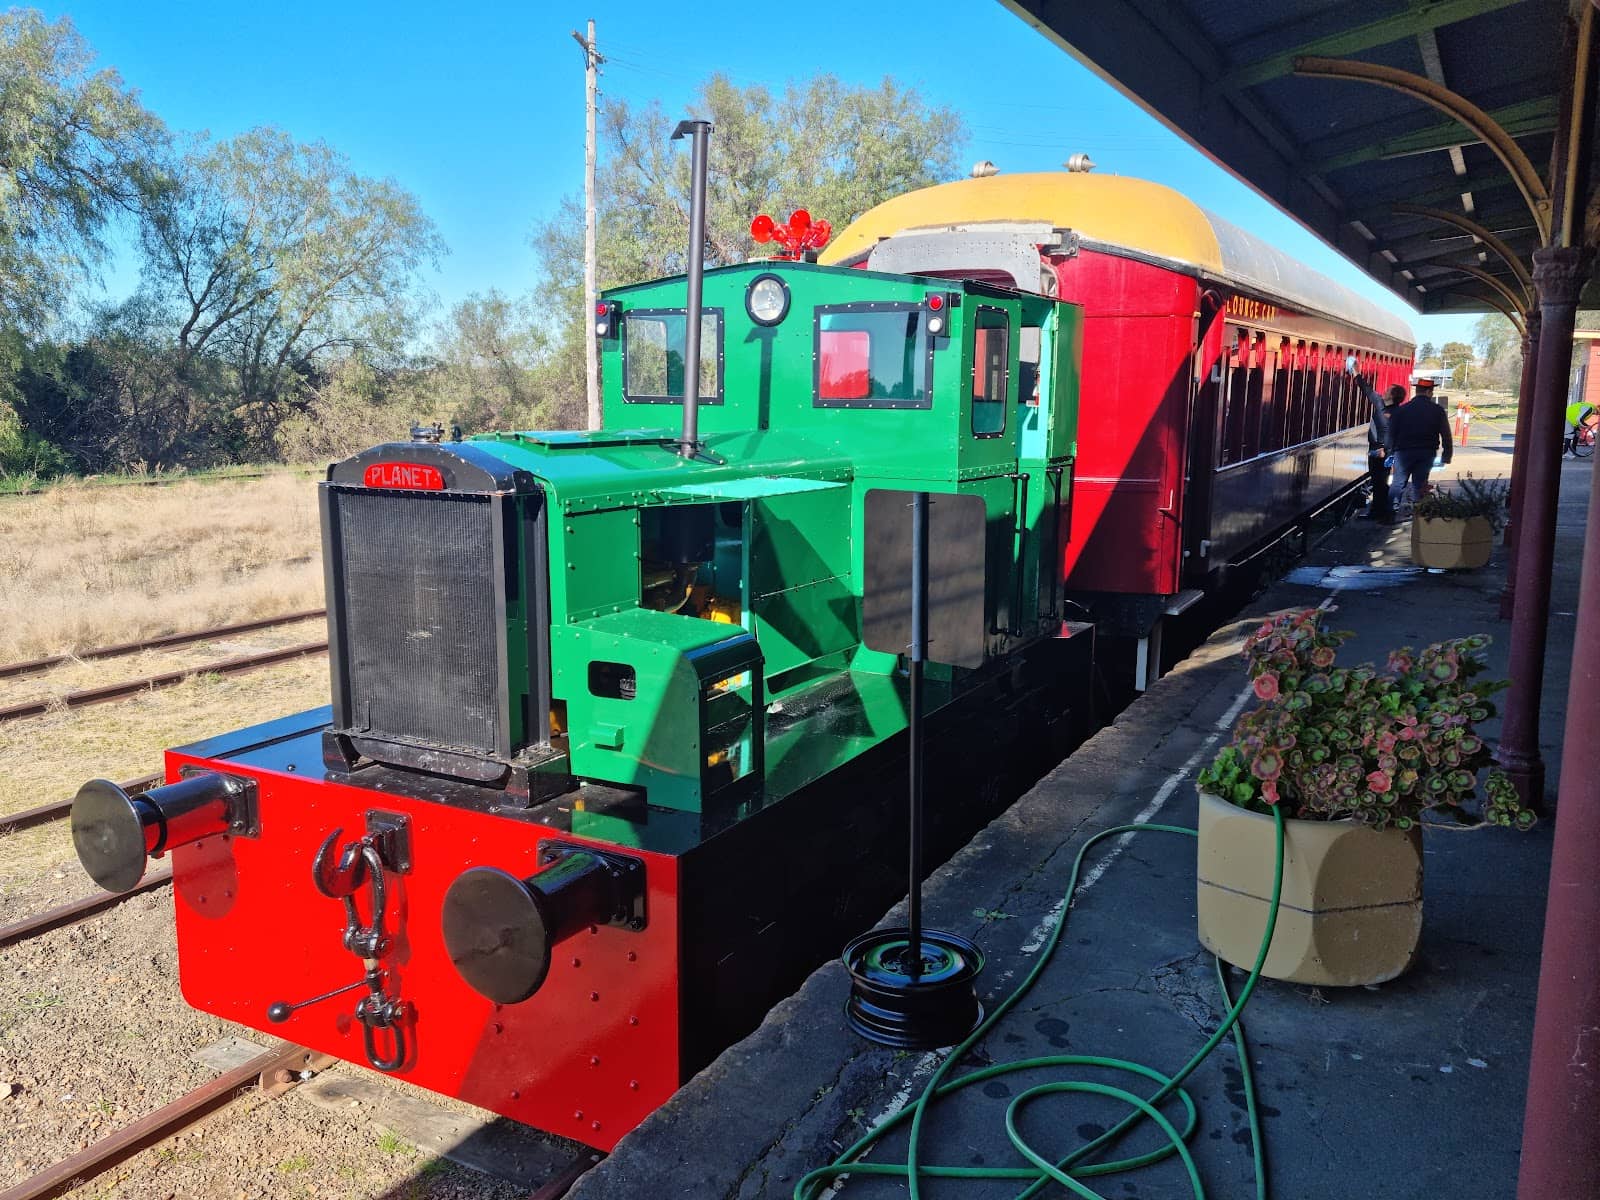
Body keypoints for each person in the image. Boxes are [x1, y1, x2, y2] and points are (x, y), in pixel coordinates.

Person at [1388, 378, 1453, 510]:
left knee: (1398, 483)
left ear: (1417, 392)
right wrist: (1447, 454)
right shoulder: (1437, 410)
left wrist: (1389, 453)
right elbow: (1446, 434)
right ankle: (1419, 513)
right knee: (1420, 484)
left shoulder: (1401, 410)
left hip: (1402, 453)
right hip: (1426, 453)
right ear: (1429, 392)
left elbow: (1391, 433)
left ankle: (1390, 511)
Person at [1353, 369, 1399, 521]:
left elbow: (1366, 389)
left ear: (1391, 396)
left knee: (1379, 482)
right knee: (1381, 482)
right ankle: (1380, 511)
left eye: (1388, 391)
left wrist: (1355, 371)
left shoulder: (1380, 405)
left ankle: (1381, 512)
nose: (1384, 392)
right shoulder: (1400, 411)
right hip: (1388, 452)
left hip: (1378, 450)